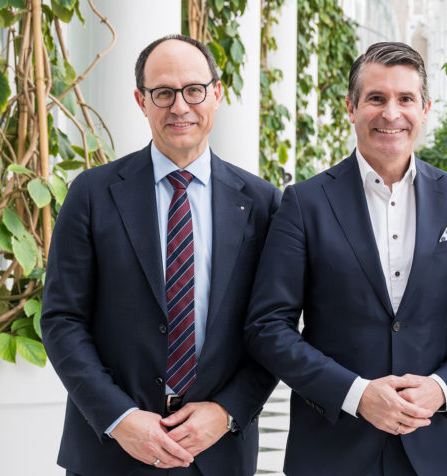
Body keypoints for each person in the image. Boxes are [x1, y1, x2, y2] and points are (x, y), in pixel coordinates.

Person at [243, 42, 447, 475]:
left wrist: (442, 388)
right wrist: (355, 393)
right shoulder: (305, 203)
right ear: (351, 107)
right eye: (376, 98)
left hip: (432, 448)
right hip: (331, 449)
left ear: (425, 109)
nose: (391, 113)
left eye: (405, 99)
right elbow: (267, 327)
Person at [41, 34, 281, 475]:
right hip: (110, 451)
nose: (180, 106)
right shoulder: (92, 194)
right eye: (163, 93)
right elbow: (62, 320)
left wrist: (227, 411)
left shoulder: (264, 204)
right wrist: (119, 418)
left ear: (216, 93)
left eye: (193, 90)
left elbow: (272, 330)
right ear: (141, 100)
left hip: (218, 451)